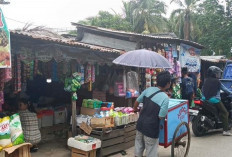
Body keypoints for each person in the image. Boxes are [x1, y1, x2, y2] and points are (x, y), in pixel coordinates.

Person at [133, 71, 171, 157]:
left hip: (140, 124)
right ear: (168, 84)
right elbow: (161, 116)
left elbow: (137, 101)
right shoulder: (165, 98)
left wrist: (135, 109)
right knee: (151, 152)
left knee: (138, 149)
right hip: (151, 128)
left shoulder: (148, 89)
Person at [202, 66, 232, 136]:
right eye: (217, 73)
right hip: (214, 100)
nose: (218, 75)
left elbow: (203, 89)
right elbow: (225, 89)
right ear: (214, 74)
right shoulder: (217, 81)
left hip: (204, 99)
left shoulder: (206, 80)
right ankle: (225, 130)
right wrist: (230, 93)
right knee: (225, 112)